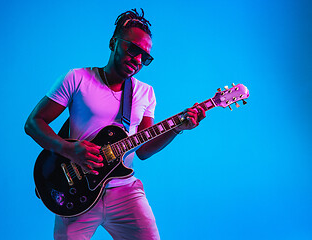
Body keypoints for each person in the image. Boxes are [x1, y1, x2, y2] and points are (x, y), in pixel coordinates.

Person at [25, 8, 206, 240]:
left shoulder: (145, 93)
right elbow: (33, 123)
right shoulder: (77, 78)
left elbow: (143, 149)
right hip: (76, 188)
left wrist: (177, 129)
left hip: (124, 191)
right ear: (113, 43)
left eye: (145, 57)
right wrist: (69, 149)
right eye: (133, 49)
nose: (138, 60)